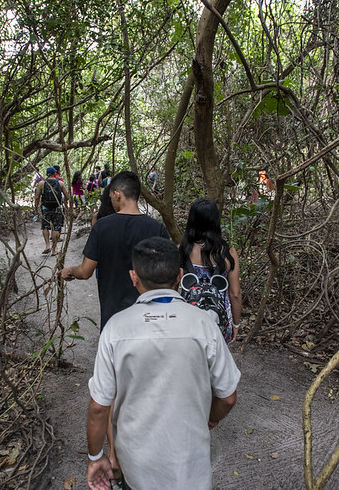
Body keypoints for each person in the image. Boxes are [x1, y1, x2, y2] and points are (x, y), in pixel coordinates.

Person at [86, 237, 240, 490]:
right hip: (190, 463)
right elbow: (228, 397)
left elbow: (98, 407)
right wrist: (210, 419)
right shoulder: (204, 324)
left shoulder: (116, 327)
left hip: (136, 463)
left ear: (133, 277)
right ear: (180, 275)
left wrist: (95, 458)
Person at [61, 171, 169, 327]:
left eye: (111, 196)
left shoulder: (101, 227)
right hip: (151, 318)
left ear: (118, 194)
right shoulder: (157, 228)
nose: (111, 200)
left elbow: (85, 272)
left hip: (114, 317)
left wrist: (70, 271)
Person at [179, 198, 243, 343]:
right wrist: (235, 324)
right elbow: (235, 294)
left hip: (188, 322)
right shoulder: (228, 253)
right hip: (219, 322)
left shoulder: (182, 250)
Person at [34, 166, 68, 255]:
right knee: (56, 227)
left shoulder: (41, 183)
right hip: (57, 208)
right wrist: (66, 205)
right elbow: (67, 196)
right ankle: (54, 249)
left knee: (45, 226)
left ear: (46, 174)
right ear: (55, 173)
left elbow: (37, 197)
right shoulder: (60, 183)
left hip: (45, 208)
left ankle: (47, 245)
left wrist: (36, 208)